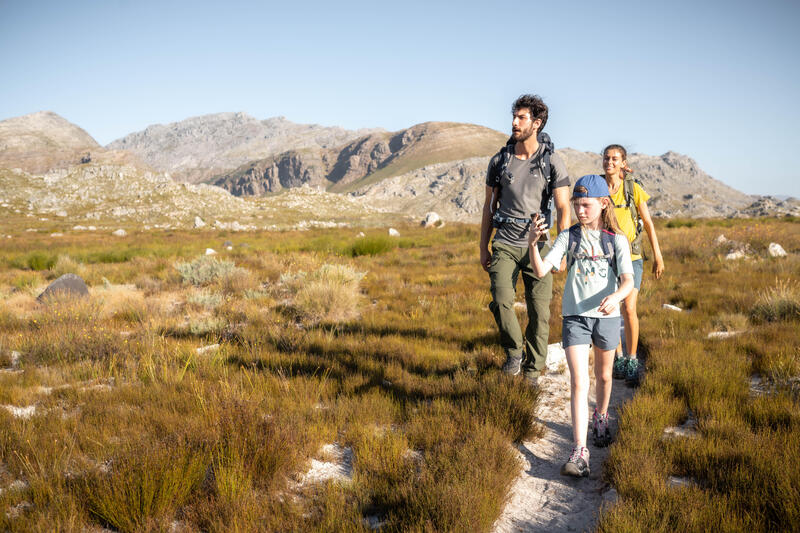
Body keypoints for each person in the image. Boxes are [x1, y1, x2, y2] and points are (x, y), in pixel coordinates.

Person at [527, 174, 634, 477]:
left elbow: (628, 281)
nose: (580, 210)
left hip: (608, 317)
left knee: (603, 375)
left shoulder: (617, 240)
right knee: (578, 381)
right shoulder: (568, 236)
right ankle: (579, 451)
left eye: (586, 205)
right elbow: (541, 270)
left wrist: (616, 297)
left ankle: (601, 415)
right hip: (575, 316)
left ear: (603, 204)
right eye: (576, 204)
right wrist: (534, 244)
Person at [479, 94, 571, 385]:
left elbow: (563, 208)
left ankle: (532, 373)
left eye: (521, 118)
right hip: (504, 241)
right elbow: (487, 207)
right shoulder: (500, 160)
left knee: (539, 313)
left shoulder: (551, 162)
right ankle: (514, 353)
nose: (514, 123)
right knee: (502, 299)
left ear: (537, 123)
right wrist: (483, 246)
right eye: (514, 117)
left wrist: (562, 251)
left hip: (540, 246)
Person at [601, 145, 664, 385]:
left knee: (628, 308)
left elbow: (647, 223)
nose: (609, 162)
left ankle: (632, 359)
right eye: (606, 158)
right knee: (611, 308)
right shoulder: (598, 188)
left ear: (623, 162)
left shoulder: (633, 188)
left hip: (633, 257)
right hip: (607, 258)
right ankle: (617, 358)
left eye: (615, 159)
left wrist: (658, 255)